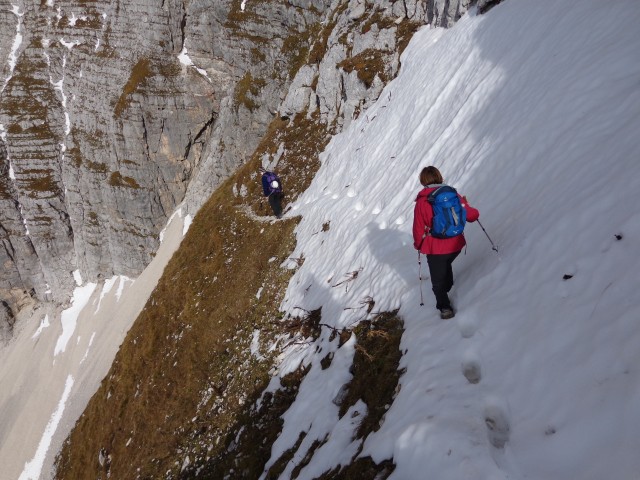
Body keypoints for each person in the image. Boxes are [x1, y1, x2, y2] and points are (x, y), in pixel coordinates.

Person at [412, 166, 479, 319]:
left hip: (435, 248)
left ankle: (445, 308)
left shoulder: (423, 201)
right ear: (440, 177)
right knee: (446, 264)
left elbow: (418, 228)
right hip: (456, 244)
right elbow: (471, 215)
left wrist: (419, 245)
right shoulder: (453, 194)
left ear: (423, 181)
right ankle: (448, 285)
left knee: (437, 282)